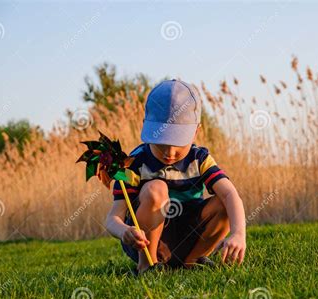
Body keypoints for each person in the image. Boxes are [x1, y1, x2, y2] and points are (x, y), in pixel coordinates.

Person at [105, 79, 246, 274]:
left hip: (190, 234)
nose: (169, 152)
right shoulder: (134, 164)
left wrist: (239, 233)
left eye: (178, 142)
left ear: (196, 131)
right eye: (161, 142)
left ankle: (192, 261)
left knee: (223, 202)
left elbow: (231, 195)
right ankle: (148, 266)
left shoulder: (199, 159)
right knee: (157, 189)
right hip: (147, 241)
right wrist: (124, 232)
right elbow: (113, 218)